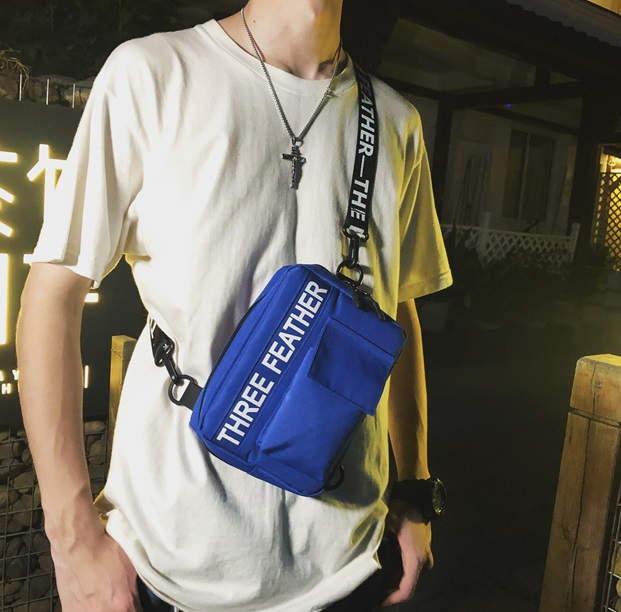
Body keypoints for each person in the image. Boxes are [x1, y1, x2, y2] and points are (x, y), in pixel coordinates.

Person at [16, 0, 453, 610]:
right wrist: (73, 541)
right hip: (169, 566)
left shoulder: (397, 121)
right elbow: (54, 291)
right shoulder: (156, 73)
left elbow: (396, 310)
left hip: (350, 563)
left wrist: (415, 492)